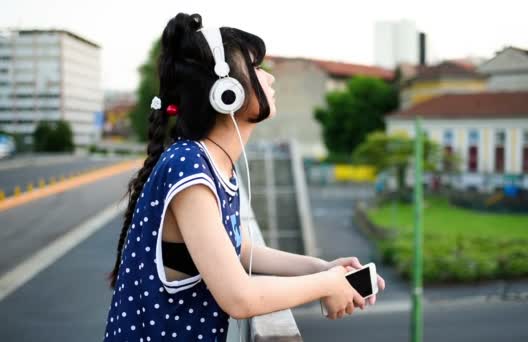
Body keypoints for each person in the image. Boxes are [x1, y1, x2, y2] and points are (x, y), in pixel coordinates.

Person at [103, 12, 385, 341]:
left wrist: (322, 268)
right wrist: (326, 285)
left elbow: (236, 250)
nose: (270, 79)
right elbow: (239, 297)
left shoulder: (213, 162)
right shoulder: (188, 167)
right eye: (256, 67)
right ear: (227, 92)